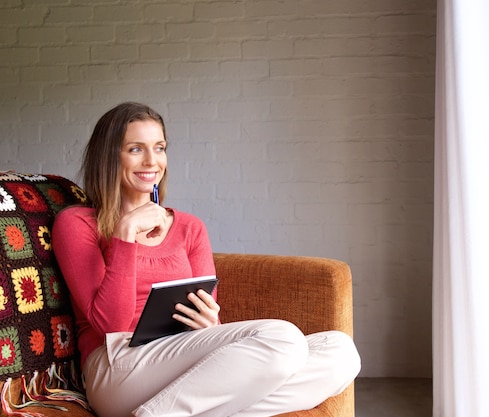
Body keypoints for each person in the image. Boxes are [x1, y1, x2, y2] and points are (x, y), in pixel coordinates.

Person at [52, 102, 361, 417]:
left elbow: (210, 319)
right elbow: (110, 325)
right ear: (108, 157)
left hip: (184, 360)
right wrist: (126, 232)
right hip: (117, 365)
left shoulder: (189, 227)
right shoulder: (77, 223)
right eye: (135, 149)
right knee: (283, 340)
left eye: (159, 148)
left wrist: (209, 321)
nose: (152, 161)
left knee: (341, 352)